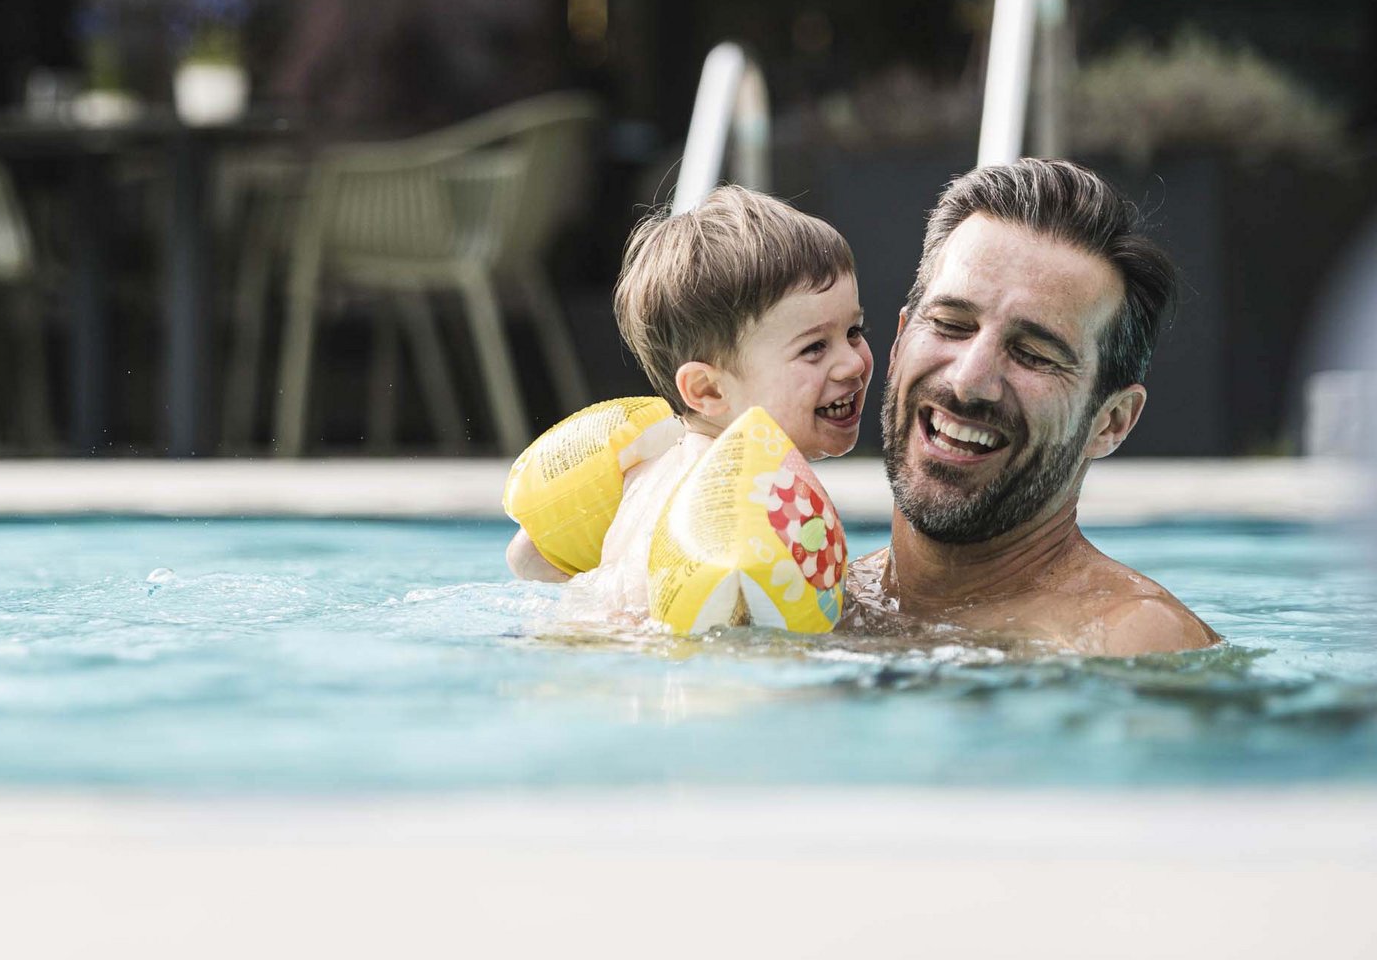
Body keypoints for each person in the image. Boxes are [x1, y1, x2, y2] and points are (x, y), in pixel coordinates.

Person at [847, 158, 1220, 655]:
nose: (968, 381)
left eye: (1034, 354)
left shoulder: (1125, 640)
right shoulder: (822, 596)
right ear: (897, 346)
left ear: (1111, 421)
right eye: (951, 324)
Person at [508, 185, 873, 621]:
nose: (852, 362)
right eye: (814, 347)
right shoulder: (740, 502)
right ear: (708, 390)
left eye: (854, 331)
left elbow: (527, 556)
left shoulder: (644, 470)